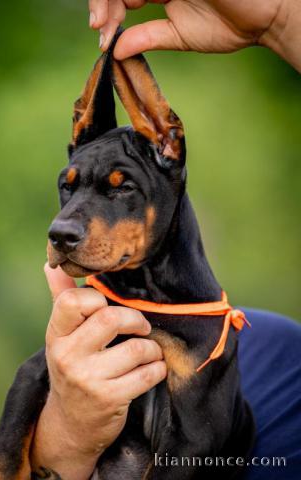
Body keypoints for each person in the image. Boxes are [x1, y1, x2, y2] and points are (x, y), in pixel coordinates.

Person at [31, 2, 301, 478]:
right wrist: (63, 441)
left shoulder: (273, 356)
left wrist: (282, 19)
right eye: (69, 187)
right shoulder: (84, 354)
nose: (66, 221)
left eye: (123, 189)